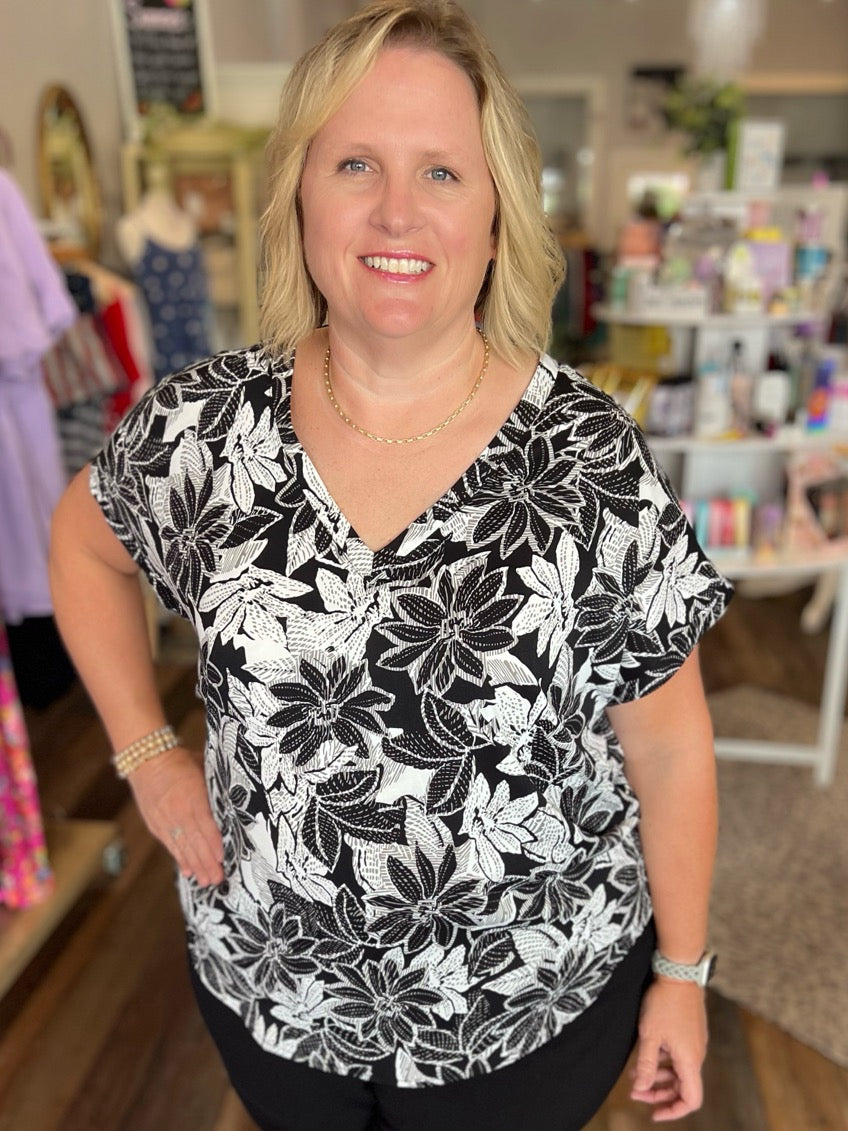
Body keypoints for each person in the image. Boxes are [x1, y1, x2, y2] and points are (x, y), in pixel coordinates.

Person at [49, 3, 733, 1128]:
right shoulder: (202, 426)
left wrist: (683, 973)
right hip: (272, 989)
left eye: (442, 173)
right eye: (355, 163)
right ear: (300, 195)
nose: (396, 211)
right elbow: (83, 543)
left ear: (497, 214)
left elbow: (668, 744)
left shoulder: (587, 458)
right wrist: (148, 753)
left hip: (527, 1009)